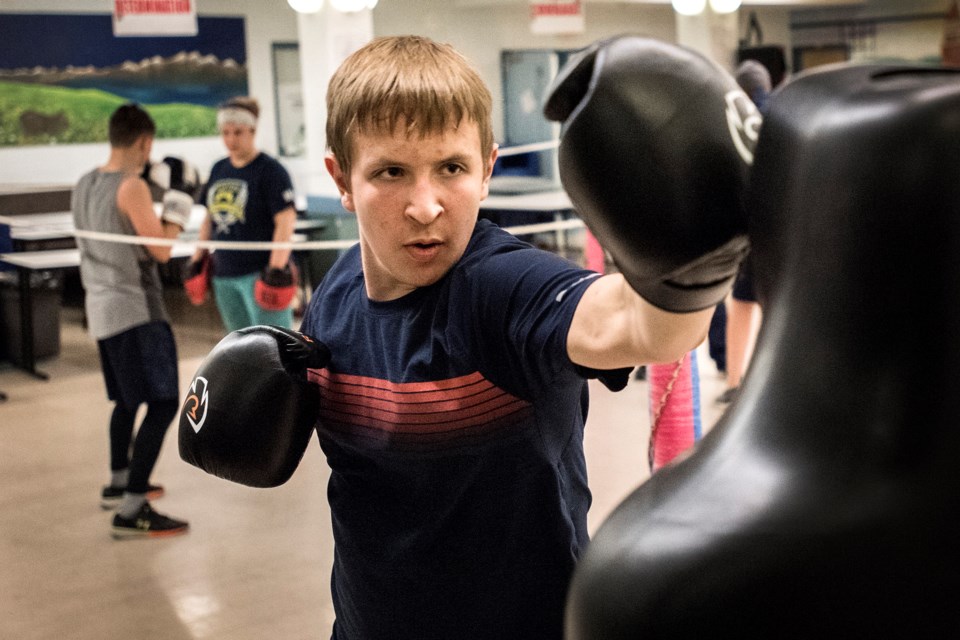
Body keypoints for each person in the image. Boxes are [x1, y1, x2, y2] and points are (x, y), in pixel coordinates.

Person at [179, 35, 752, 639]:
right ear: (342, 179)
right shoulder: (336, 293)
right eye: (391, 172)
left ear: (487, 171)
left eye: (451, 168)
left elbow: (640, 326)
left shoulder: (500, 288)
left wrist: (699, 261)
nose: (425, 206)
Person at [72, 103, 191, 538]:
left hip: (100, 310)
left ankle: (118, 480)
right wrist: (179, 204)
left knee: (126, 400)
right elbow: (160, 250)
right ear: (144, 141)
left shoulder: (84, 183)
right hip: (136, 310)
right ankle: (132, 508)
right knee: (162, 403)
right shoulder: (131, 186)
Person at [190, 96, 299, 332]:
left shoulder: (271, 171)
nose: (231, 139)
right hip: (225, 274)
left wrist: (276, 268)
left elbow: (286, 220)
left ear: (252, 130)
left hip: (259, 273)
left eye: (238, 132)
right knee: (239, 344)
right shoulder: (219, 168)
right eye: (226, 132)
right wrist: (197, 258)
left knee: (274, 343)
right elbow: (209, 217)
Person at [717, 59, 771, 404]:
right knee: (769, 309)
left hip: (747, 228)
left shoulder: (731, 120)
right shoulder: (780, 120)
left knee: (742, 305)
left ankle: (735, 382)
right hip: (776, 227)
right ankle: (757, 383)